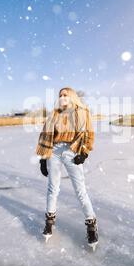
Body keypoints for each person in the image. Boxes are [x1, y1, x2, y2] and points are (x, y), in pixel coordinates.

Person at [35, 87, 98, 249]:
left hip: (72, 151)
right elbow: (45, 133)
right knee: (52, 188)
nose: (62, 97)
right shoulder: (54, 113)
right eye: (60, 95)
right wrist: (43, 158)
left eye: (65, 95)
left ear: (72, 97)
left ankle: (91, 226)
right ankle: (49, 222)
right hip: (54, 152)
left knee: (80, 191)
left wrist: (84, 152)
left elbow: (89, 134)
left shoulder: (82, 112)